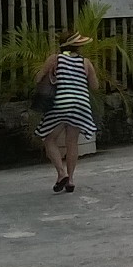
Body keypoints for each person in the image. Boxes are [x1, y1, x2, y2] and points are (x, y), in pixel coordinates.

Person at [35, 32, 97, 193]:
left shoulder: (55, 59)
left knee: (49, 139)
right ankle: (70, 180)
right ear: (78, 46)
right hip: (81, 105)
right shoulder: (86, 62)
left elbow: (38, 78)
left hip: (61, 103)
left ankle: (61, 173)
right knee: (72, 143)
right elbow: (95, 86)